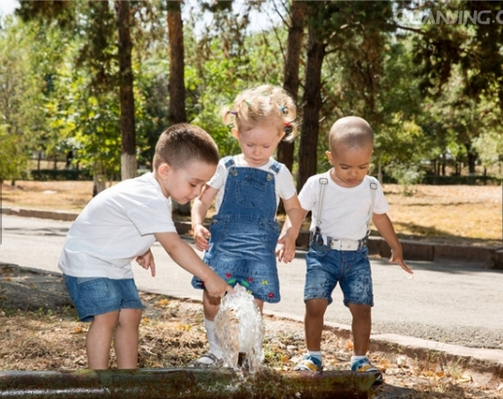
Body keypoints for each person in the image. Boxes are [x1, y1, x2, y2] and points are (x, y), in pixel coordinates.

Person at [58, 123, 233, 370]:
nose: (197, 192)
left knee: (131, 314)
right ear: (165, 171)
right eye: (193, 183)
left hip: (110, 262)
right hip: (88, 259)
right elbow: (174, 246)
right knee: (107, 316)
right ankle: (98, 382)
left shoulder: (156, 194)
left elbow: (125, 220)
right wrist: (209, 276)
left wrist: (141, 245)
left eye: (203, 186)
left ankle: (128, 379)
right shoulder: (148, 196)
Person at [282, 116, 413, 383]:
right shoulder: (318, 184)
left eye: (362, 166)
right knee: (315, 303)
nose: (354, 173)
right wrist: (289, 235)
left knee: (362, 307)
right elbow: (298, 211)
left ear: (370, 157)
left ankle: (360, 360)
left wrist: (395, 245)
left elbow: (380, 218)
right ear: (330, 157)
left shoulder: (372, 186)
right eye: (345, 167)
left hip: (357, 257)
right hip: (322, 254)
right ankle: (313, 356)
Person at [190, 85, 304, 367]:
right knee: (211, 297)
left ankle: (246, 355)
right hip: (225, 244)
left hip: (259, 250)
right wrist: (196, 225)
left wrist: (289, 236)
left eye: (266, 146)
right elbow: (201, 202)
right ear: (236, 134)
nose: (257, 152)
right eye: (249, 144)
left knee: (255, 303)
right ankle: (216, 350)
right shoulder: (227, 167)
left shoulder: (279, 173)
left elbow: (295, 209)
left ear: (281, 136)